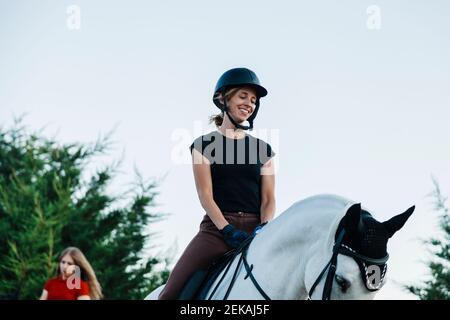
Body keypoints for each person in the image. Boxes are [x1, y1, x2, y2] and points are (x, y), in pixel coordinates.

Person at [158, 67, 276, 300]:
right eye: (243, 96)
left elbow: (268, 199)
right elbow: (205, 195)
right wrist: (227, 229)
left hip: (258, 231)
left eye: (253, 100)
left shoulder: (265, 150)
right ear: (223, 98)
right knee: (169, 294)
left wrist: (264, 228)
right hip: (216, 232)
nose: (249, 104)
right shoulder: (202, 146)